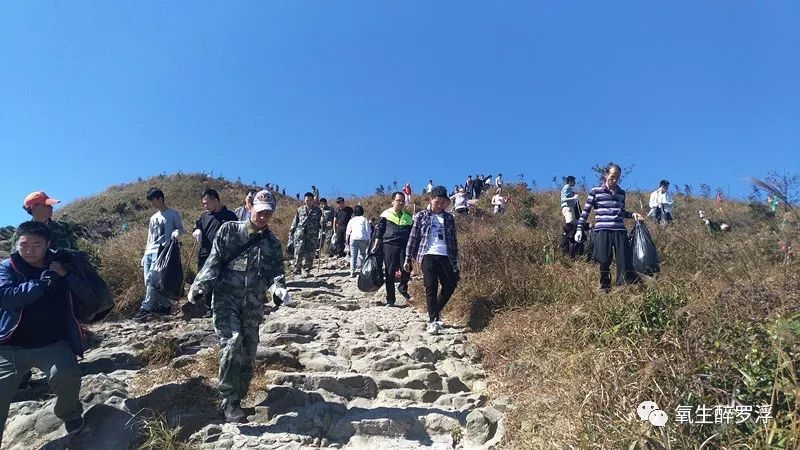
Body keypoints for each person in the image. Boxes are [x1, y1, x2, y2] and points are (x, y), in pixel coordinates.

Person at [187, 190, 288, 423]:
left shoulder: (272, 243)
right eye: (260, 211)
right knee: (232, 343)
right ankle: (229, 401)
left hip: (253, 305)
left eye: (268, 213)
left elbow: (276, 274)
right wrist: (200, 284)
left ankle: (238, 398)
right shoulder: (229, 231)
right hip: (226, 299)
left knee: (249, 350)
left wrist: (279, 289)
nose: (263, 217)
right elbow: (214, 260)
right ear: (249, 206)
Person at [0, 221, 93, 441]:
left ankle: (69, 413)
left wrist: (66, 273)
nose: (29, 250)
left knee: (66, 375)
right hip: (10, 346)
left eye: (37, 245)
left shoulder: (61, 262)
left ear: (47, 244)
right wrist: (41, 284)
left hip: (53, 343)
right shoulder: (7, 266)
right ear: (16, 244)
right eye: (24, 245)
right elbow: (6, 297)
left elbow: (88, 293)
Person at [575, 164, 645, 293]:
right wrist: (579, 228)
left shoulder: (621, 193)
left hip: (619, 231)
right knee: (604, 259)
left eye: (617, 178)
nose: (614, 180)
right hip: (603, 230)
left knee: (623, 260)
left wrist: (632, 214)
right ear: (606, 175)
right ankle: (604, 286)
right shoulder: (595, 191)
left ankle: (623, 287)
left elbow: (621, 212)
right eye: (612, 176)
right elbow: (585, 211)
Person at [404, 186, 460, 335]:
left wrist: (456, 263)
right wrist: (408, 258)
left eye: (443, 202)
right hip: (427, 255)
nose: (440, 204)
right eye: (437, 201)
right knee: (431, 287)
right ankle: (433, 320)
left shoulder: (449, 218)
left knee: (450, 285)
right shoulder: (421, 216)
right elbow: (413, 238)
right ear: (430, 200)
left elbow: (453, 241)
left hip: (445, 255)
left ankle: (434, 312)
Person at [134, 188, 184, 321]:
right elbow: (149, 237)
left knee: (152, 278)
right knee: (149, 281)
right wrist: (145, 255)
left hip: (163, 251)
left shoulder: (173, 214)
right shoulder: (153, 218)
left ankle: (146, 308)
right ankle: (166, 305)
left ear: (159, 198)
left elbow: (180, 229)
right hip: (150, 251)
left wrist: (176, 233)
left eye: (152, 200)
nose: (151, 203)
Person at [372, 192, 413, 306]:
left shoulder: (409, 216)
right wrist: (376, 245)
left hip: (404, 246)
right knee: (389, 272)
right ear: (392, 201)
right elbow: (379, 231)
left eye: (403, 201)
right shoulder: (386, 214)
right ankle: (391, 299)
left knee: (407, 268)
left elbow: (412, 233)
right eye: (398, 200)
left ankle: (402, 288)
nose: (401, 203)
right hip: (389, 245)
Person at [11, 191, 78, 251]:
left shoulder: (64, 227)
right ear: (34, 207)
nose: (51, 207)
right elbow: (16, 260)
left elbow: (75, 254)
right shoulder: (21, 233)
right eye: (47, 204)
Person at [193, 188, 238, 273]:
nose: (205, 206)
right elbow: (197, 226)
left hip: (222, 257)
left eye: (207, 203)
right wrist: (197, 231)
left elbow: (236, 235)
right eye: (203, 204)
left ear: (216, 201)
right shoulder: (204, 216)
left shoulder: (230, 216)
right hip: (205, 255)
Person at [289, 193, 322, 277]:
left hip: (312, 235)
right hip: (300, 234)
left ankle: (306, 270)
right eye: (306, 200)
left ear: (313, 200)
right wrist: (291, 233)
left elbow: (322, 222)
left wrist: (322, 227)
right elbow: (294, 222)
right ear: (304, 200)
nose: (308, 202)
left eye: (310, 200)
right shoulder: (300, 210)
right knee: (298, 251)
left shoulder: (318, 211)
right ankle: (297, 269)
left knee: (310, 252)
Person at [345, 206, 371, 277]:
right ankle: (363, 270)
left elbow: (348, 231)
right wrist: (369, 239)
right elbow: (368, 230)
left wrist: (346, 240)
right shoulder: (364, 219)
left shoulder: (352, 220)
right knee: (363, 254)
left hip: (353, 239)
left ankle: (352, 271)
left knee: (353, 256)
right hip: (363, 238)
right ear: (362, 211)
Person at [560, 176, 580, 256]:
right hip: (567, 208)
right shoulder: (566, 187)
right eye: (574, 181)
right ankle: (567, 244)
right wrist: (573, 197)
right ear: (570, 181)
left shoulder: (569, 188)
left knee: (574, 224)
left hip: (571, 208)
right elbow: (563, 199)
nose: (575, 183)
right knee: (570, 224)